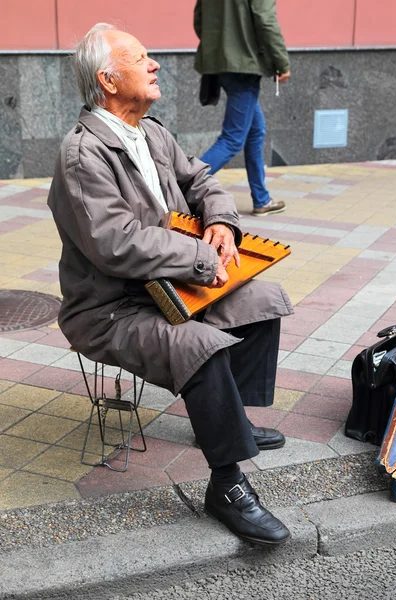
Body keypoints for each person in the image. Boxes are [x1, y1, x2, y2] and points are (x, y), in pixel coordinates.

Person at [48, 23, 294, 546]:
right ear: (109, 80)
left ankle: (235, 419)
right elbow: (116, 243)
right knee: (200, 345)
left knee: (263, 299)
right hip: (112, 309)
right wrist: (202, 256)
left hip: (172, 287)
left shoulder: (151, 131)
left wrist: (222, 223)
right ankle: (226, 483)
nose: (155, 63)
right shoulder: (81, 155)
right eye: (142, 58)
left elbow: (201, 181)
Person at [194, 0, 291, 216]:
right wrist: (281, 63)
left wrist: (221, 50)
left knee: (256, 131)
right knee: (232, 139)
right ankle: (179, 186)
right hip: (244, 65)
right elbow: (266, 21)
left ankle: (262, 199)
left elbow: (199, 19)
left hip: (222, 63)